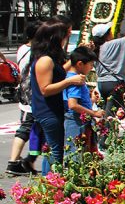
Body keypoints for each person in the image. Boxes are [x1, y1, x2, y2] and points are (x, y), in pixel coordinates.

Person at [30, 19, 85, 169]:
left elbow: (59, 72)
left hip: (51, 110)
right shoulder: (45, 60)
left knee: (53, 149)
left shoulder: (49, 58)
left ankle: (50, 185)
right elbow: (45, 89)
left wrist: (76, 56)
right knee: (55, 152)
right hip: (47, 111)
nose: (66, 40)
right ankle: (51, 185)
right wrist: (70, 81)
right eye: (65, 36)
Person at [7, 20, 41, 175]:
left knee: (35, 130)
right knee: (26, 129)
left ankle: (27, 160)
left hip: (25, 94)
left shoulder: (22, 49)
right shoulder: (35, 51)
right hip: (31, 96)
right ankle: (13, 162)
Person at [64, 47, 105, 160]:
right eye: (90, 65)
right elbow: (73, 104)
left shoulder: (72, 77)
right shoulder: (76, 81)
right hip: (76, 122)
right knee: (75, 156)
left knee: (82, 154)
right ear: (80, 64)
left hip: (78, 120)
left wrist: (91, 100)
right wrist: (94, 113)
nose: (92, 68)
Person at [94, 23, 125, 115]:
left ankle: (103, 128)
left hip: (101, 83)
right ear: (107, 35)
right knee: (112, 115)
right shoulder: (112, 44)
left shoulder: (96, 48)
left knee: (105, 111)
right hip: (114, 83)